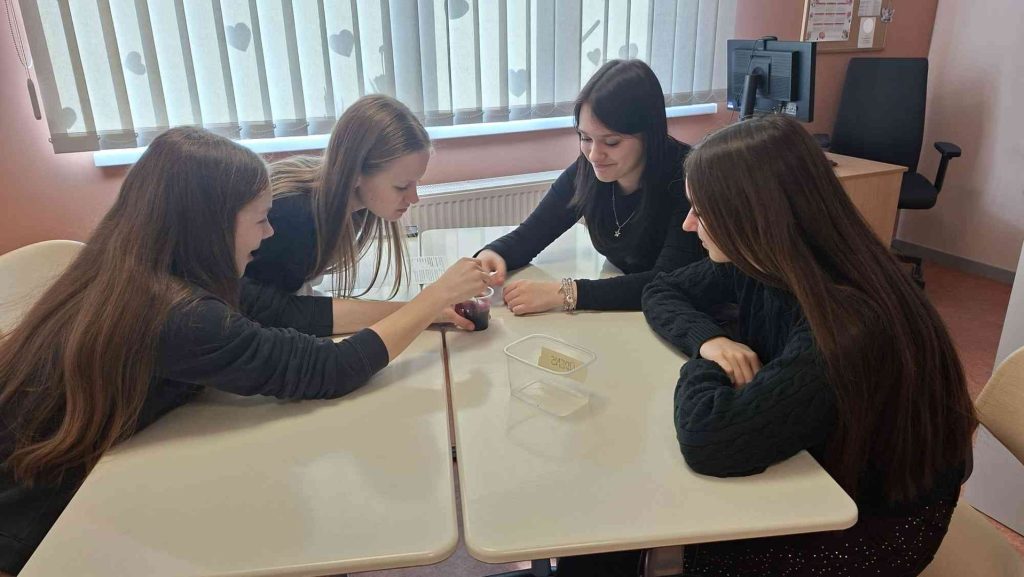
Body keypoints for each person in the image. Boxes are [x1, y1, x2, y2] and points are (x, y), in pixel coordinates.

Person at [0, 127, 490, 575]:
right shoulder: (180, 315)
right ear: (210, 225)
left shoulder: (141, 266)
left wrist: (427, 310)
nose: (269, 232)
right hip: (38, 518)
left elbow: (293, 316)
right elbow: (330, 368)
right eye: (259, 220)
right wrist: (432, 298)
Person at [560, 115, 976, 576]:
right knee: (619, 513)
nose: (688, 224)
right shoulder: (767, 260)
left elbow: (708, 439)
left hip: (869, 527)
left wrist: (707, 364)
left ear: (753, 218)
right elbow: (661, 289)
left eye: (701, 211)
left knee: (632, 527)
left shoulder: (846, 322)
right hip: (822, 466)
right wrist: (712, 341)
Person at [475, 59, 705, 314]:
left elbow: (666, 282)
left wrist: (567, 293)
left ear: (649, 135)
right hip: (628, 311)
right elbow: (532, 233)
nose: (594, 155)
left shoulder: (688, 179)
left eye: (612, 142)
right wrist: (494, 254)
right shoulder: (589, 169)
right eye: (585, 138)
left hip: (684, 314)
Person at [245, 94, 477, 330]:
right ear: (355, 173)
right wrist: (424, 309)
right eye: (401, 186)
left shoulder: (350, 201)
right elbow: (279, 314)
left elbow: (299, 302)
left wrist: (427, 311)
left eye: (416, 183)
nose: (414, 198)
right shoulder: (294, 217)